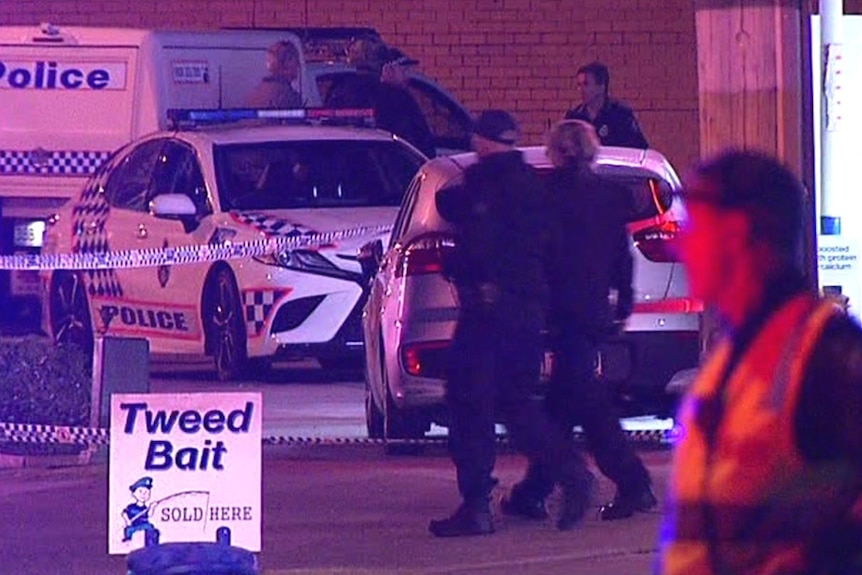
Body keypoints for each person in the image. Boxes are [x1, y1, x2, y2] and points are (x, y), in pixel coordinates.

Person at [657, 149, 862, 575]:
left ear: (735, 233)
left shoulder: (828, 355)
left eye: (694, 226)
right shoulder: (731, 354)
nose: (681, 242)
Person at [428, 110, 595, 537]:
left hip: (487, 312)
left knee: (469, 401)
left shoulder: (486, 181)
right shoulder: (529, 184)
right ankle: (570, 472)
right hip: (525, 312)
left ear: (481, 142)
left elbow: (459, 215)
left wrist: (463, 268)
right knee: (517, 403)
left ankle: (476, 505)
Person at [500, 119, 657, 524]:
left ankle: (631, 483)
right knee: (565, 401)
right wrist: (623, 301)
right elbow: (621, 255)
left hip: (560, 311)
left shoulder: (546, 195)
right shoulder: (608, 196)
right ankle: (533, 492)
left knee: (586, 405)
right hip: (592, 311)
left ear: (558, 152)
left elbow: (536, 253)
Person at [324, 37, 436, 158]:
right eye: (403, 69)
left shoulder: (339, 91)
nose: (406, 75)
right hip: (391, 171)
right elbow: (420, 141)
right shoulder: (395, 97)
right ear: (387, 68)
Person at [564, 61, 648, 149]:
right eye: (579, 85)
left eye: (586, 84)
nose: (581, 90)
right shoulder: (574, 117)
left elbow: (639, 148)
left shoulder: (621, 114)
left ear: (601, 87)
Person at [246, 40, 303, 109]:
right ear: (286, 63)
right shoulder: (290, 97)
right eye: (296, 60)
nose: (298, 65)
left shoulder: (254, 94)